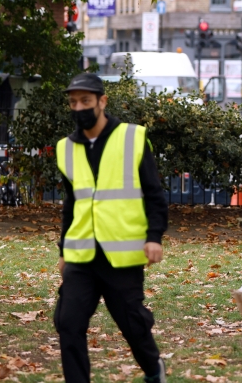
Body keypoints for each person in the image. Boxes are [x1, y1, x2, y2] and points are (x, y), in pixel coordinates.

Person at [54, 73, 169, 383]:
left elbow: (154, 194)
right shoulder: (65, 148)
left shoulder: (131, 138)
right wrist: (64, 250)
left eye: (86, 101)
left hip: (122, 254)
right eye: (74, 102)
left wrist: (154, 237)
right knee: (68, 322)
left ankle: (153, 370)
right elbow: (71, 204)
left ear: (102, 102)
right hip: (82, 255)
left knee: (132, 324)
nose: (79, 108)